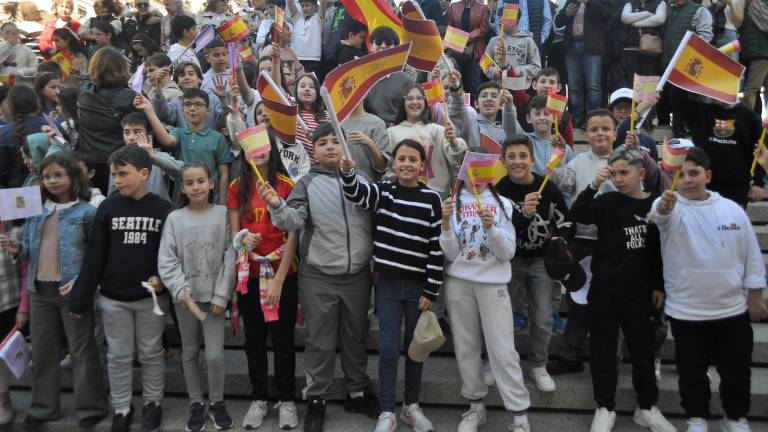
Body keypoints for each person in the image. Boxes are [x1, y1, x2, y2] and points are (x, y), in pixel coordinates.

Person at [258, 123, 379, 432]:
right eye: (322, 142)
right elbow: (293, 220)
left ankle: (357, 391)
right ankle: (316, 400)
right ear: (314, 150)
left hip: (358, 275)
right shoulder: (306, 183)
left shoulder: (363, 179)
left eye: (334, 142)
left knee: (355, 336)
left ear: (344, 148)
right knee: (320, 342)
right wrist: (276, 205)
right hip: (318, 275)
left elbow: (374, 212)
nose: (329, 147)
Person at [650, 147, 767, 432]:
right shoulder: (670, 206)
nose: (687, 180)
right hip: (686, 311)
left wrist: (755, 295)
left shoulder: (732, 210)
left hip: (732, 309)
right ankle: (697, 418)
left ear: (708, 175)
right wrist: (664, 205)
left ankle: (735, 417)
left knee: (736, 371)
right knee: (691, 373)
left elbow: (751, 255)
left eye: (694, 173)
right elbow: (659, 214)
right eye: (681, 174)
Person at [339, 140, 444, 432]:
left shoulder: (432, 199)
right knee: (387, 349)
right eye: (401, 158)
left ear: (422, 165)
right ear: (393, 162)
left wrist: (431, 290)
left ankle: (411, 405)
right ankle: (387, 410)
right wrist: (349, 174)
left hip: (418, 289)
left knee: (415, 349)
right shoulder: (384, 190)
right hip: (387, 285)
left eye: (413, 159)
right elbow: (358, 194)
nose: (407, 164)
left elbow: (437, 248)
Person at [69, 145, 174, 432]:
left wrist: (162, 279)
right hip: (113, 298)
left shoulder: (163, 209)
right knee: (117, 355)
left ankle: (153, 404)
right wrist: (79, 298)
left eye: (123, 174)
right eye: (114, 174)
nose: (116, 180)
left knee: (151, 353)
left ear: (144, 173)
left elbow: (171, 254)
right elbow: (95, 256)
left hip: (150, 299)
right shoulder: (108, 206)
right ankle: (121, 408)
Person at [1, 152, 109, 431]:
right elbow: (27, 248)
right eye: (47, 176)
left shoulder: (87, 212)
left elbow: (94, 255)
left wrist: (83, 283)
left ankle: (91, 406)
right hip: (39, 291)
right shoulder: (36, 211)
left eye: (59, 175)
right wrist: (17, 249)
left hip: (71, 291)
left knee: (82, 350)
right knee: (43, 351)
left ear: (73, 177)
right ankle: (43, 407)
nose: (53, 181)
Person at [570, 146, 675, 432]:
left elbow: (660, 251)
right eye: (613, 173)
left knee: (642, 351)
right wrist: (593, 185)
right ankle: (605, 407)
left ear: (641, 173)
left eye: (624, 173)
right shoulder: (606, 202)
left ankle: (647, 407)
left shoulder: (656, 206)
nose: (618, 178)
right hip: (604, 289)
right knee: (603, 351)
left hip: (640, 292)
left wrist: (659, 284)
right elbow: (578, 212)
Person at [440, 150, 532, 432]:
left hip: (494, 284)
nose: (474, 178)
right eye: (469, 171)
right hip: (459, 283)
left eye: (480, 172)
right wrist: (444, 224)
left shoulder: (503, 204)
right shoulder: (452, 204)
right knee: (466, 347)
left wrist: (492, 229)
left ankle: (519, 415)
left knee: (503, 350)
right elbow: (450, 252)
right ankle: (475, 406)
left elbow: (507, 253)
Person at [227, 132, 300, 430]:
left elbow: (294, 234)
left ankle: (287, 399)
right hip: (251, 276)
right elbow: (235, 237)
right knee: (254, 341)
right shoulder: (236, 187)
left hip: (284, 272)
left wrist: (281, 279)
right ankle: (259, 398)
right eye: (250, 148)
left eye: (262, 146)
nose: (257, 152)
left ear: (272, 148)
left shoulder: (288, 185)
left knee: (283, 341)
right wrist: (244, 240)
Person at [158, 163, 235, 432]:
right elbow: (167, 260)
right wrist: (181, 289)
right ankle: (196, 403)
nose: (196, 187)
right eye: (189, 183)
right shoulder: (175, 219)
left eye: (200, 181)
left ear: (211, 183)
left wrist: (222, 294)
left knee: (214, 355)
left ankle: (217, 402)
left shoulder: (224, 214)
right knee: (190, 352)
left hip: (214, 300)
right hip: (186, 301)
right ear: (183, 187)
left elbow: (231, 254)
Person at [496, 135, 575, 395]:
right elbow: (494, 228)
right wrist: (522, 214)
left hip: (541, 262)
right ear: (503, 161)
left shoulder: (547, 188)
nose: (517, 161)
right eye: (511, 156)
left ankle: (538, 364)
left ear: (531, 158)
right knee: (502, 319)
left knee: (542, 318)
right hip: (509, 262)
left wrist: (559, 239)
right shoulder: (499, 190)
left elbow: (566, 222)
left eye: (522, 156)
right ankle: (499, 363)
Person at [138, 88, 231, 205]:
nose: (192, 108)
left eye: (198, 104)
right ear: (182, 110)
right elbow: (167, 140)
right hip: (182, 199)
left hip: (211, 200)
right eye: (187, 104)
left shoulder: (217, 137)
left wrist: (222, 205)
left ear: (208, 110)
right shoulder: (179, 133)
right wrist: (149, 110)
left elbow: (224, 174)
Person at [387, 85, 467, 197]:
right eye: (409, 98)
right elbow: (389, 167)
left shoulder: (439, 130)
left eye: (419, 98)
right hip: (402, 193)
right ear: (403, 103)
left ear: (425, 102)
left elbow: (457, 160)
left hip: (436, 193)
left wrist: (453, 141)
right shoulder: (391, 132)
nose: (415, 102)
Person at [76, 47, 136, 193]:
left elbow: (86, 78)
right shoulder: (133, 98)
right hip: (121, 164)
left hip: (89, 163)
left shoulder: (84, 92)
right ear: (122, 68)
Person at [554, 0, 614, 129]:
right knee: (574, 86)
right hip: (571, 47)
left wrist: (589, 2)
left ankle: (592, 119)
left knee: (593, 85)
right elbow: (558, 22)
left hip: (592, 48)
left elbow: (607, 15)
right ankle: (577, 119)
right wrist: (565, 14)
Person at [107, 111, 184, 202]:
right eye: (126, 132)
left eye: (137, 132)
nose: (131, 137)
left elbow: (182, 171)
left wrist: (153, 158)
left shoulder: (159, 156)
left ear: (149, 134)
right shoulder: (118, 158)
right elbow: (111, 195)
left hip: (158, 212)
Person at [484, 9, 540, 112]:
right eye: (499, 18)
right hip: (498, 93)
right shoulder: (494, 41)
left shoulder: (528, 41)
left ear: (515, 19)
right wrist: (494, 72)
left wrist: (517, 71)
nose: (500, 21)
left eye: (504, 17)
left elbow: (536, 67)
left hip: (520, 92)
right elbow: (484, 64)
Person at [0, 85, 49, 188]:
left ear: (11, 106)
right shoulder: (53, 127)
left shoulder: (4, 133)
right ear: (37, 104)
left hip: (16, 194)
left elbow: (2, 171)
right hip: (53, 189)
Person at [365, 27, 415, 127]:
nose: (383, 46)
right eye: (379, 43)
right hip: (369, 130)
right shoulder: (363, 77)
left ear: (397, 48)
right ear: (371, 46)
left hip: (396, 131)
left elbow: (413, 110)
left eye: (388, 43)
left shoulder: (405, 80)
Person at [152, 62, 223, 130]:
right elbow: (162, 114)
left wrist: (223, 100)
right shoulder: (177, 104)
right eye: (182, 75)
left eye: (191, 74)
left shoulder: (213, 100)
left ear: (200, 79)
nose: (187, 77)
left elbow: (223, 122)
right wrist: (157, 86)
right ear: (177, 82)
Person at [0, 220, 23, 426]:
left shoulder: (17, 230)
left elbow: (27, 266)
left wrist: (15, 251)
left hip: (8, 301)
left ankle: (2, 399)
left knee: (3, 354)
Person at [447, 0, 491, 99]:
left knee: (474, 85)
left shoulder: (483, 8)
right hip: (456, 51)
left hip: (476, 51)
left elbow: (483, 29)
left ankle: (473, 111)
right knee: (456, 83)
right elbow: (450, 26)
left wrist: (466, 37)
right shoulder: (453, 6)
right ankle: (459, 109)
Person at [732, 0, 768, 115]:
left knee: (751, 89)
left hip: (759, 51)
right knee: (752, 89)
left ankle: (748, 121)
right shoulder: (755, 3)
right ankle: (749, 121)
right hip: (759, 51)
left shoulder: (753, 3)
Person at [340, 100, 390, 182]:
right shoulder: (338, 121)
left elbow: (382, 167)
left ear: (365, 94)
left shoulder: (377, 123)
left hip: (368, 184)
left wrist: (370, 143)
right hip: (341, 182)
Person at [619, 0, 666, 83]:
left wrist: (635, 24)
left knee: (649, 83)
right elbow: (624, 18)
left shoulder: (660, 3)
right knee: (632, 83)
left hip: (651, 51)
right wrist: (647, 14)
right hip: (631, 50)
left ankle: (648, 96)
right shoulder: (629, 4)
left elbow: (659, 19)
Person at [529, 68, 573, 146]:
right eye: (543, 81)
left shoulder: (564, 116)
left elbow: (570, 149)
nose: (547, 86)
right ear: (534, 85)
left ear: (559, 87)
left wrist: (563, 147)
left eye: (552, 82)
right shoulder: (525, 104)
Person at [294, 74, 329, 164]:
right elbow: (277, 86)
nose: (307, 89)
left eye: (312, 87)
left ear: (317, 92)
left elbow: (334, 141)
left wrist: (316, 138)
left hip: (322, 165)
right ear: (296, 92)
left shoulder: (327, 116)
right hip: (298, 166)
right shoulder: (292, 113)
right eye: (302, 86)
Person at [289, 0, 326, 73]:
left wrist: (322, 2)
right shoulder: (297, 18)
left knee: (311, 82)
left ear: (315, 7)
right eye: (302, 6)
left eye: (307, 5)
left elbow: (322, 2)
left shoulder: (318, 19)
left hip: (313, 59)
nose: (304, 8)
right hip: (297, 58)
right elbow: (290, 2)